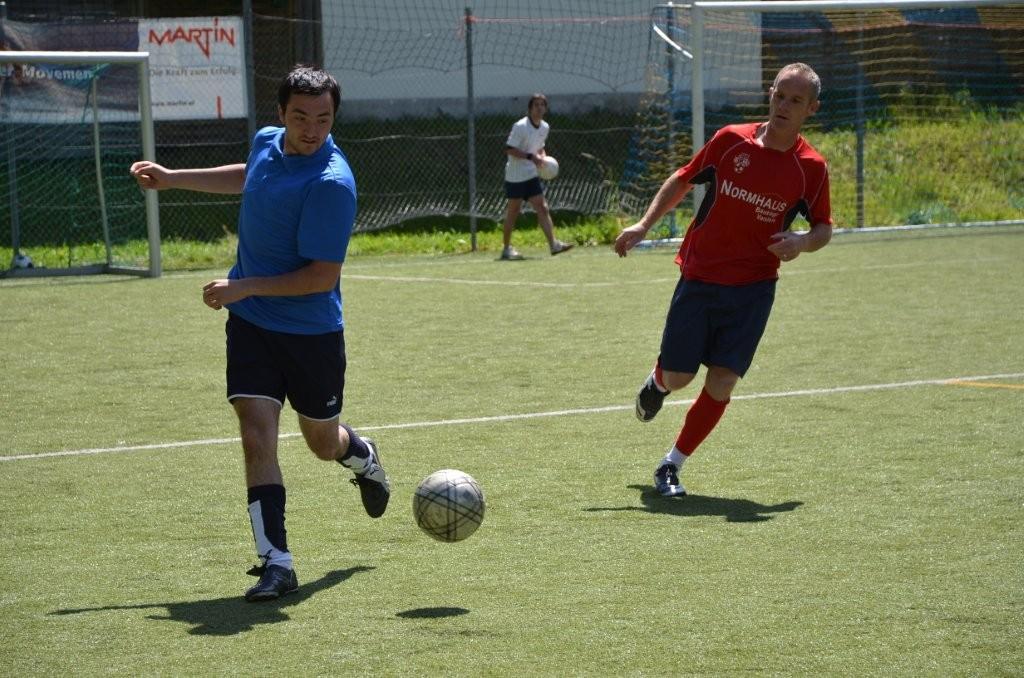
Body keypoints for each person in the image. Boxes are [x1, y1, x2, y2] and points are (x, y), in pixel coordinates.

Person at [129, 65, 390, 601]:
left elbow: (321, 278)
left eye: (323, 119)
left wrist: (243, 286)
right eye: (301, 117)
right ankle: (277, 562)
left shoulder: (331, 183)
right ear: (280, 114)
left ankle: (361, 454)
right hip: (251, 325)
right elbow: (250, 175)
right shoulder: (268, 141)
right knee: (256, 435)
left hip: (310, 334)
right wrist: (173, 178)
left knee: (322, 444)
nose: (311, 129)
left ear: (334, 117)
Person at [613, 63, 833, 497]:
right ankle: (658, 383)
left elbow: (824, 227)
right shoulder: (731, 140)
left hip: (754, 288)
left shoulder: (811, 168)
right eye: (779, 95)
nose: (784, 105)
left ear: (812, 109)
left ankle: (671, 465)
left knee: (723, 381)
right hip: (701, 275)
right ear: (769, 94)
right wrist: (643, 225)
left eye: (795, 100)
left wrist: (803, 242)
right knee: (679, 376)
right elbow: (682, 178)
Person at [500, 92, 574, 260]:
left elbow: (539, 147)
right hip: (515, 176)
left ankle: (554, 245)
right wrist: (531, 157)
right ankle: (506, 249)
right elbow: (509, 149)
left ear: (545, 109)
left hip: (531, 174)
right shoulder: (520, 126)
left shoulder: (545, 127)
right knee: (513, 211)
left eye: (542, 105)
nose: (539, 108)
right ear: (530, 108)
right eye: (536, 105)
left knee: (542, 207)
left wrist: (543, 158)